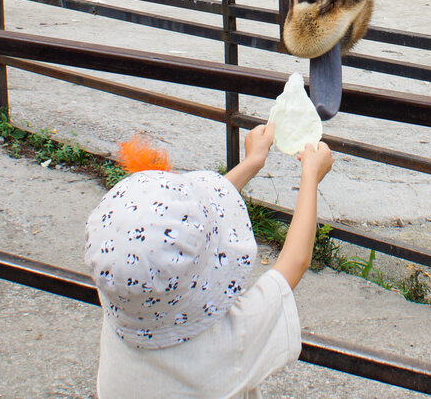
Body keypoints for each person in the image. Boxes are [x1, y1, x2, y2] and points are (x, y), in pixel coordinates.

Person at [84, 123, 334, 398]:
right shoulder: (232, 336)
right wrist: (310, 175)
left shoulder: (125, 292)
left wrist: (251, 163)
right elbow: (295, 261)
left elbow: (175, 227)